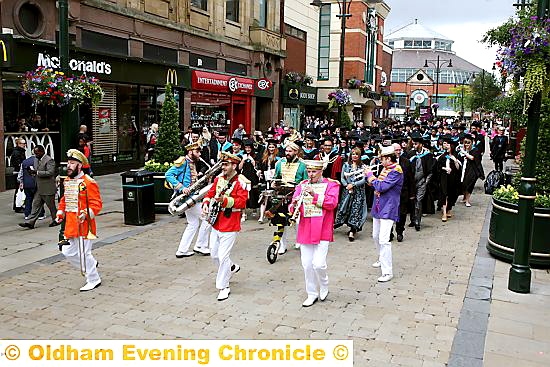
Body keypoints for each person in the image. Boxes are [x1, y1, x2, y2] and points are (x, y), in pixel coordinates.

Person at [290, 159, 340, 307]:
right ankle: (311, 293)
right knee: (307, 265)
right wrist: (293, 205)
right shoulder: (302, 185)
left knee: (318, 264)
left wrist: (315, 195)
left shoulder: (332, 185)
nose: (311, 175)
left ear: (321, 171)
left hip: (323, 226)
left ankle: (324, 284)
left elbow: (332, 203)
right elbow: (293, 206)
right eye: (309, 172)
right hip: (306, 227)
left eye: (314, 172)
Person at [201, 152, 250, 301]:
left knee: (223, 256)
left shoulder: (241, 182)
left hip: (230, 222)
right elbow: (210, 193)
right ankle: (232, 267)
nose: (223, 167)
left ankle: (224, 286)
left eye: (226, 164)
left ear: (234, 166)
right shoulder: (218, 179)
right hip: (216, 221)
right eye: (222, 164)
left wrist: (225, 200)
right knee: (213, 254)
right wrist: (205, 203)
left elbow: (242, 202)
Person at [56, 149, 103, 291]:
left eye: (72, 163)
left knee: (84, 253)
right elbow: (65, 199)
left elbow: (97, 204)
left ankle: (93, 278)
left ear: (80, 166)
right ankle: (91, 265)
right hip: (71, 224)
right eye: (68, 163)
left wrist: (86, 214)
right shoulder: (68, 181)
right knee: (67, 252)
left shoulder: (89, 182)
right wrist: (60, 212)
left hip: (84, 224)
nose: (68, 166)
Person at [166, 141, 212, 258]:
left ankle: (182, 250)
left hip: (191, 197)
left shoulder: (192, 162)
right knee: (208, 218)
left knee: (193, 224)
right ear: (190, 151)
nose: (199, 154)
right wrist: (181, 187)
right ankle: (200, 246)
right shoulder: (182, 162)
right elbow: (168, 175)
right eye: (197, 152)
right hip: (188, 197)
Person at [365, 146, 404, 283]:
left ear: (388, 158)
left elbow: (381, 186)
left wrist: (370, 176)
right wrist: (369, 179)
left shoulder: (396, 171)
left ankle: (388, 272)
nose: (380, 161)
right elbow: (376, 185)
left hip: (389, 207)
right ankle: (381, 258)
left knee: (384, 240)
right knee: (375, 235)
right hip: (378, 205)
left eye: (382, 159)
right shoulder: (386, 168)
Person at [272, 142, 308, 254]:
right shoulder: (279, 163)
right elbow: (276, 177)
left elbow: (306, 181)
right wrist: (274, 183)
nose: (287, 153)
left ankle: (300, 240)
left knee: (297, 220)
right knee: (280, 221)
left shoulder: (303, 165)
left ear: (296, 152)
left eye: (290, 151)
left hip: (296, 195)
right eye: (286, 151)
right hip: (281, 194)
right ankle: (282, 245)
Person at [19, 145, 59, 229]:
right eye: (35, 153)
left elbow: (50, 172)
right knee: (35, 205)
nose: (35, 155)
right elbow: (36, 170)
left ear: (42, 152)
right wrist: (32, 173)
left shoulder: (49, 160)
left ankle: (56, 220)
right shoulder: (36, 159)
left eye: (37, 153)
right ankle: (30, 222)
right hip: (39, 187)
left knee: (51, 206)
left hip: (48, 188)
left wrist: (37, 172)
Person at [334, 147, 368, 242]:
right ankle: (338, 223)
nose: (355, 156)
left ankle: (352, 231)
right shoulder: (345, 165)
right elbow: (342, 178)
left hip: (358, 192)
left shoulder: (362, 166)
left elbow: (363, 179)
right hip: (347, 191)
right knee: (345, 207)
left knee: (356, 210)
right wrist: (347, 185)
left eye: (357, 154)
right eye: (353, 154)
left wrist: (353, 185)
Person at [409, 134, 435, 231]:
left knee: (418, 201)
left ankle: (417, 222)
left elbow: (431, 171)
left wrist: (425, 182)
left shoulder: (427, 155)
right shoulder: (411, 154)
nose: (414, 146)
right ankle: (413, 219)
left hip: (422, 182)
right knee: (412, 201)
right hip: (411, 182)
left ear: (420, 144)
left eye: (415, 144)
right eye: (413, 144)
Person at [392, 143, 415, 242]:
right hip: (391, 193)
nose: (398, 152)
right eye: (396, 150)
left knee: (402, 213)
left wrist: (412, 193)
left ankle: (400, 231)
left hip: (403, 192)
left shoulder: (406, 162)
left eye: (399, 150)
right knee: (390, 213)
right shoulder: (387, 162)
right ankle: (389, 233)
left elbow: (410, 178)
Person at [437, 136, 462, 221]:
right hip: (444, 178)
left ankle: (448, 210)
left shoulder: (456, 156)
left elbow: (458, 168)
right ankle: (444, 213)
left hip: (453, 178)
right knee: (444, 194)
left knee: (452, 194)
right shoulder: (442, 156)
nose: (446, 146)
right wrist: (444, 168)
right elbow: (437, 167)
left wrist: (455, 160)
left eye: (448, 144)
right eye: (445, 144)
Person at [459, 134, 483, 207]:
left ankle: (467, 200)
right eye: (465, 142)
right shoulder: (462, 149)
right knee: (463, 184)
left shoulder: (475, 150)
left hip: (472, 169)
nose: (466, 144)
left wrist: (465, 153)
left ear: (472, 142)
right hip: (463, 169)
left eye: (468, 142)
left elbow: (473, 158)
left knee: (469, 184)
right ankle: (464, 198)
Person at [10, 137, 27, 213]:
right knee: (19, 190)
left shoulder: (19, 151)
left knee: (19, 190)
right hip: (18, 172)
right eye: (23, 143)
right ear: (18, 144)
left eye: (24, 143)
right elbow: (18, 163)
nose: (24, 145)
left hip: (18, 172)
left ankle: (18, 206)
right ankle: (18, 206)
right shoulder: (17, 152)